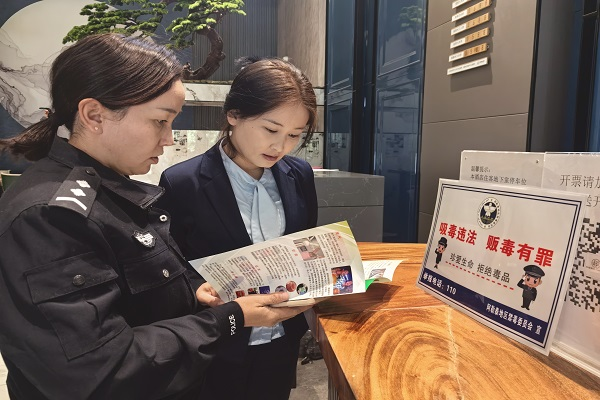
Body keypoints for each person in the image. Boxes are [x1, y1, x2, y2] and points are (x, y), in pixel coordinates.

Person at [0, 34, 310, 400]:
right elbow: (102, 369)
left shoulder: (111, 191)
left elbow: (137, 292)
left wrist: (192, 291)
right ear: (94, 115)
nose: (169, 139)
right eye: (160, 121)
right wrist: (229, 318)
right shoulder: (52, 217)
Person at [156, 56, 318, 400]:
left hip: (281, 339)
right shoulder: (182, 182)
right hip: (219, 344)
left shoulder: (299, 174)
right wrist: (199, 290)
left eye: (294, 135)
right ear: (234, 114)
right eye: (271, 130)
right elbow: (170, 267)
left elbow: (303, 246)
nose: (280, 146)